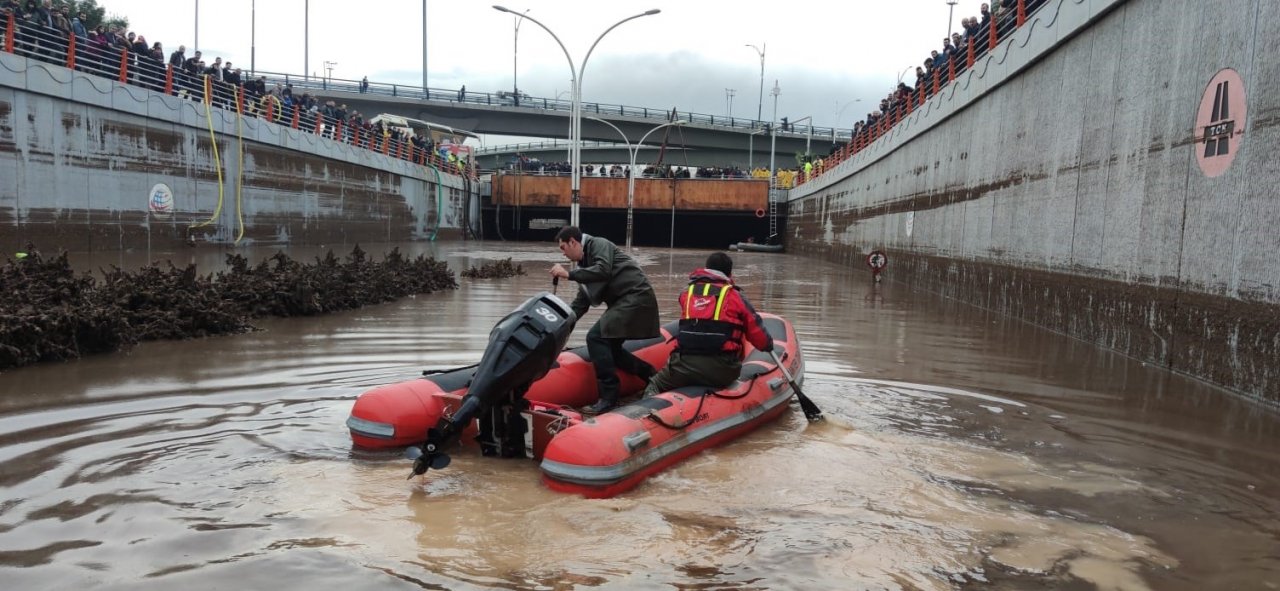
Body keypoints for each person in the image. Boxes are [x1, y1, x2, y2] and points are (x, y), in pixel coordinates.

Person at [549, 226, 660, 414]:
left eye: (563, 247)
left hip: (635, 297)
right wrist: (559, 328)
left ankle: (609, 397)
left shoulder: (598, 244)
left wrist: (569, 274)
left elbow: (603, 270)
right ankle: (651, 375)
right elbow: (580, 304)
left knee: (596, 337)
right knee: (611, 349)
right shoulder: (585, 267)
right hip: (624, 302)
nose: (563, 253)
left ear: (573, 242)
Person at [642, 252, 773, 397]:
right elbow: (758, 336)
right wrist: (768, 345)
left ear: (706, 268)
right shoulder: (736, 296)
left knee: (655, 384)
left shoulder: (686, 294)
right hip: (722, 371)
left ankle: (646, 408)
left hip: (683, 366)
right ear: (730, 274)